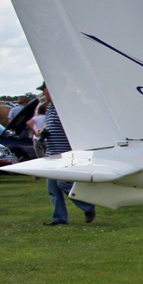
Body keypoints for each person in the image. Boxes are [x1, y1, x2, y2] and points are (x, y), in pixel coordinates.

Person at [37, 83, 95, 226]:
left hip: (65, 152)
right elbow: (50, 124)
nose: (43, 94)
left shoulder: (64, 107)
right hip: (51, 152)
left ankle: (88, 206)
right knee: (52, 189)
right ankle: (59, 219)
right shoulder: (50, 107)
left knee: (63, 183)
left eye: (44, 90)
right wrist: (43, 131)